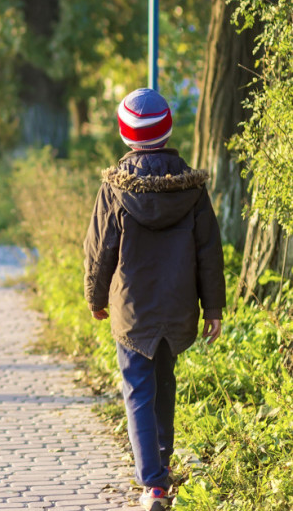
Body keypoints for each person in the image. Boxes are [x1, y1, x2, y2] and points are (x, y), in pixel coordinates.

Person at [83, 88, 226, 511]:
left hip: (133, 310)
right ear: (166, 131)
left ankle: (154, 485)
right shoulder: (192, 188)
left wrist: (95, 296)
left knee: (138, 390)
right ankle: (161, 463)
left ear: (126, 135)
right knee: (165, 383)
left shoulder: (115, 188)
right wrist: (213, 308)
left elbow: (100, 248)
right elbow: (209, 252)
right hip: (178, 305)